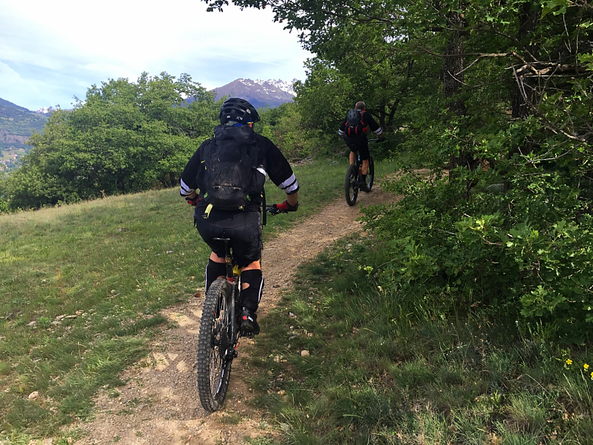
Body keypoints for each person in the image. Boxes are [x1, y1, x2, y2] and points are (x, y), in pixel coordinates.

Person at [180, 97, 299, 337]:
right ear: (250, 124)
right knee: (250, 260)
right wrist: (289, 205)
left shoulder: (208, 146)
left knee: (217, 253)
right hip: (245, 221)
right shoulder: (261, 145)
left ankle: (211, 309)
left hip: (209, 220)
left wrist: (195, 200)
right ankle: (247, 312)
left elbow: (185, 187)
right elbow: (290, 184)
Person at [338, 101, 384, 191]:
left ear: (355, 108)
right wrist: (381, 137)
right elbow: (376, 129)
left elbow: (341, 131)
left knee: (352, 151)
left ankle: (351, 169)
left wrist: (345, 137)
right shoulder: (366, 115)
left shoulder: (350, 115)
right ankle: (362, 181)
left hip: (349, 139)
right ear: (364, 108)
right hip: (361, 139)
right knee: (365, 159)